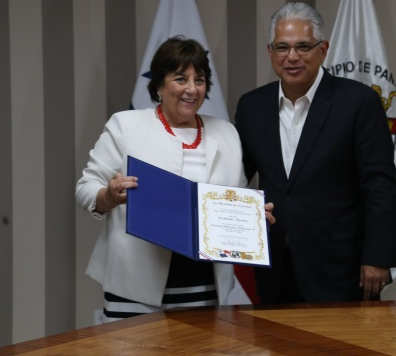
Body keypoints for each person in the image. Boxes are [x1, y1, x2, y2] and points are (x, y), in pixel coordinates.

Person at [76, 36, 274, 322]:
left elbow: (234, 199)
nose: (192, 89)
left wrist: (253, 219)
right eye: (181, 79)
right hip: (133, 288)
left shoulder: (227, 133)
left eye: (199, 79)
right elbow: (85, 188)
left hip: (204, 288)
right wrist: (108, 196)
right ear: (159, 85)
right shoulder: (126, 126)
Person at [234, 2, 396, 303]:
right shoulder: (252, 106)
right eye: (282, 47)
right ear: (270, 51)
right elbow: (235, 177)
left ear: (323, 50)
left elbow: (381, 185)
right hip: (274, 265)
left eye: (303, 47)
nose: (292, 57)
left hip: (340, 266)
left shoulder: (359, 102)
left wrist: (377, 257)